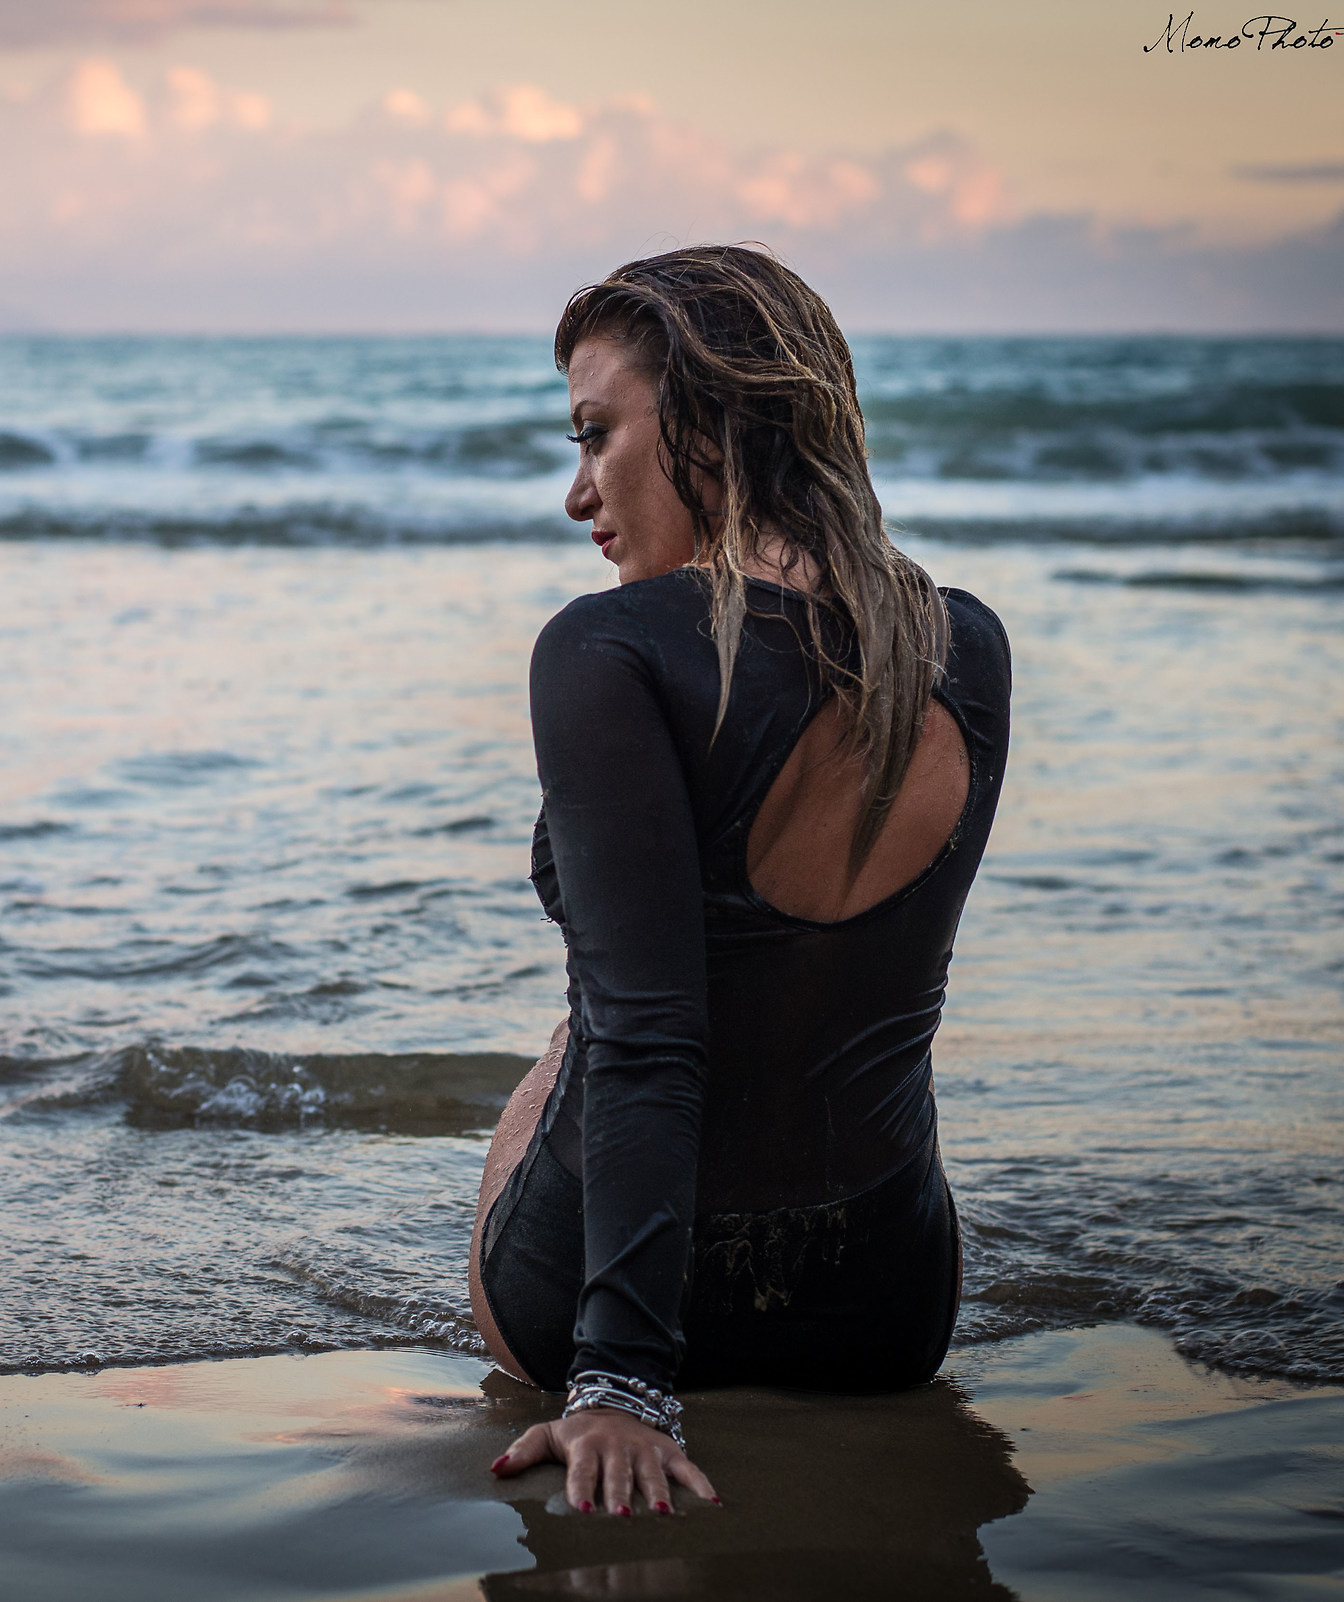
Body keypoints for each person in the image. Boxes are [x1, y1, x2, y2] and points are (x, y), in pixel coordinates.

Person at [468, 246, 1013, 1519]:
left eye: (598, 436)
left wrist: (620, 1384)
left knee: (585, 1030)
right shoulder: (967, 644)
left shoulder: (603, 648)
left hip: (599, 1311)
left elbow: (657, 1041)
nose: (577, 493)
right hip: (886, 1315)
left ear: (709, 420)